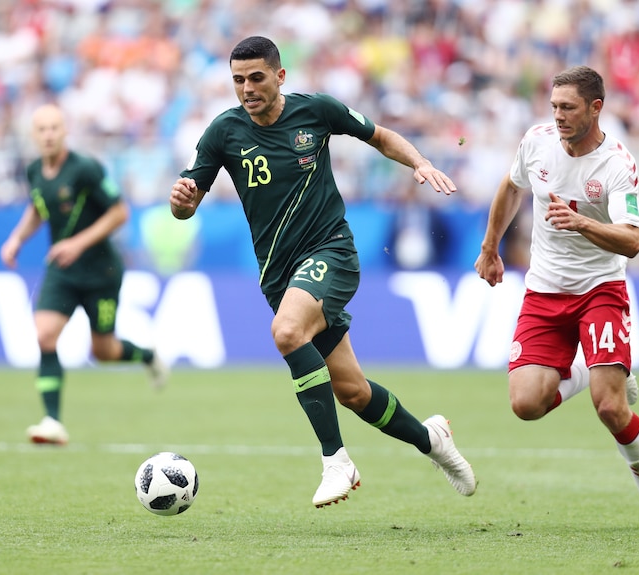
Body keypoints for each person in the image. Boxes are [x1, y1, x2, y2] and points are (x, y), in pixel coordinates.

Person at [169, 36, 477, 508]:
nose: (247, 88)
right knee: (352, 391)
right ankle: (432, 440)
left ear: (279, 76)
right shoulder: (223, 132)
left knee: (287, 331)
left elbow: (380, 136)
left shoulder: (317, 112)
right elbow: (189, 202)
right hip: (279, 276)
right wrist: (183, 203)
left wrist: (419, 162)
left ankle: (336, 460)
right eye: (238, 80)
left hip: (330, 252)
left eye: (256, 77)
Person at [474, 65, 639, 531]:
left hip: (600, 289)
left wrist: (583, 221)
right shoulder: (537, 142)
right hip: (545, 290)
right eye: (554, 107)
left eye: (568, 108)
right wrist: (490, 248)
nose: (559, 116)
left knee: (610, 407)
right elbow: (511, 186)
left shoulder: (617, 164)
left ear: (595, 108)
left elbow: (632, 242)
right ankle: (590, 367)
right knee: (525, 405)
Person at [0, 104, 168, 445]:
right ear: (33, 136)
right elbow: (38, 208)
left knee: (103, 351)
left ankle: (148, 355)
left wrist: (77, 243)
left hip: (101, 272)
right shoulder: (34, 171)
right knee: (45, 335)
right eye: (42, 129)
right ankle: (52, 421)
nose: (48, 135)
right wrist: (16, 238)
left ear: (65, 132)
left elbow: (120, 212)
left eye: (54, 128)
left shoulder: (85, 169)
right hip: (62, 271)